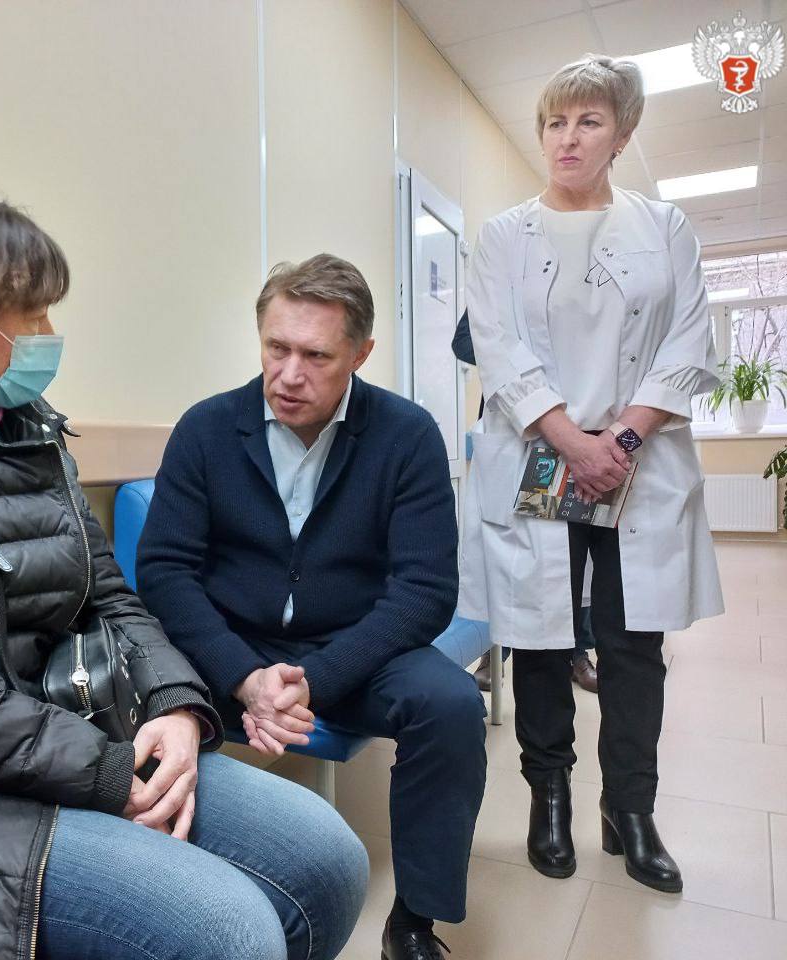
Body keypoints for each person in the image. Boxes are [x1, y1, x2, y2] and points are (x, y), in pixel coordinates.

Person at [0, 185, 368, 960]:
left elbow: (106, 592)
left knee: (330, 862)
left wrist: (175, 705)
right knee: (233, 932)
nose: (49, 337)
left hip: (68, 740)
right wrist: (109, 772)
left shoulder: (20, 422)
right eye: (35, 315)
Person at [136, 254, 485, 960]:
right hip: (228, 649)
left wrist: (315, 680)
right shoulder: (206, 429)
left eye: (317, 356)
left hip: (354, 650)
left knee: (450, 706)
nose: (289, 374)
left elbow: (424, 590)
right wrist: (244, 677)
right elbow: (165, 573)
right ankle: (165, 888)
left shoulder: (407, 435)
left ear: (361, 354)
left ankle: (416, 919)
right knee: (132, 692)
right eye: (277, 348)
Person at [460, 54, 723, 894]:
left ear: (622, 133)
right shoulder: (502, 236)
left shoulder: (665, 227)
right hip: (540, 450)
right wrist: (573, 440)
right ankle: (550, 800)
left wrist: (623, 439)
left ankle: (630, 810)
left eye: (589, 121)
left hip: (637, 458)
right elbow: (497, 347)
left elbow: (689, 340)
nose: (567, 138)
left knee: (633, 644)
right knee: (541, 639)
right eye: (554, 122)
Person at [454, 308, 599, 695]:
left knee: (578, 554)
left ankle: (579, 653)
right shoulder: (498, 284)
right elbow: (464, 342)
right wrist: (527, 363)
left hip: (577, 435)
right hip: (517, 434)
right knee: (512, 558)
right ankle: (495, 654)